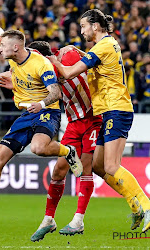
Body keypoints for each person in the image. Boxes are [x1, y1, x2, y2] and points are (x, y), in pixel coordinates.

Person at [0, 30, 83, 224]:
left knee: (38, 148)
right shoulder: (13, 61)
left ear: (15, 47)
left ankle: (68, 151)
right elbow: (17, 72)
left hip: (46, 111)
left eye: (2, 46)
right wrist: (1, 75)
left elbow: (55, 92)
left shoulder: (41, 64)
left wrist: (40, 104)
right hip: (26, 114)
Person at [27, 41, 143, 241]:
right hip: (73, 123)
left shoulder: (67, 57)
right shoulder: (42, 72)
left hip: (93, 118)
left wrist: (73, 48)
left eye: (32, 56)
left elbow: (93, 60)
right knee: (58, 171)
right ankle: (48, 219)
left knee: (87, 167)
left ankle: (78, 220)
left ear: (39, 55)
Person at [49, 9, 150, 233]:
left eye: (84, 26)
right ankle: (135, 206)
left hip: (117, 109)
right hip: (110, 111)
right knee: (97, 165)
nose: (81, 30)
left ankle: (146, 205)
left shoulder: (103, 47)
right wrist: (74, 49)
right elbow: (89, 57)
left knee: (112, 166)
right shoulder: (107, 45)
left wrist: (52, 59)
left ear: (95, 26)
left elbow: (67, 73)